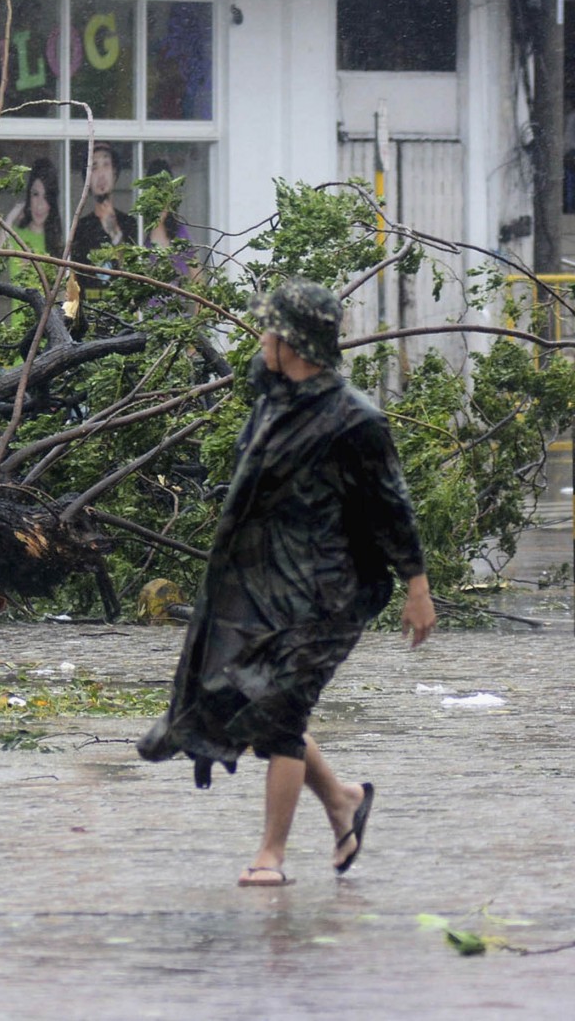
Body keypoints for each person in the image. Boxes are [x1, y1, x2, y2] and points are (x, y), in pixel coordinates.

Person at [137, 278, 437, 888]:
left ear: (294, 343)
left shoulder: (356, 421)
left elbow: (391, 507)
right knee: (258, 699)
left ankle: (270, 855)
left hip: (333, 593)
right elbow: (261, 378)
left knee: (279, 711)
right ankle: (343, 801)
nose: (262, 339)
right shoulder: (275, 396)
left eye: (272, 331)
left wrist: (417, 585)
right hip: (267, 585)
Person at [70, 142, 138, 278]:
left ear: (114, 172)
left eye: (106, 165)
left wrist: (114, 232)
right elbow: (75, 275)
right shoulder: (81, 228)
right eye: (94, 167)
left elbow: (133, 271)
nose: (101, 175)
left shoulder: (129, 223)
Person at [4, 161, 62, 291]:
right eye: (35, 194)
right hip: (17, 311)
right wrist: (11, 216)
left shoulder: (56, 241)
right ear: (28, 196)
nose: (40, 205)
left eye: (46, 196)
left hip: (45, 311)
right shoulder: (15, 235)